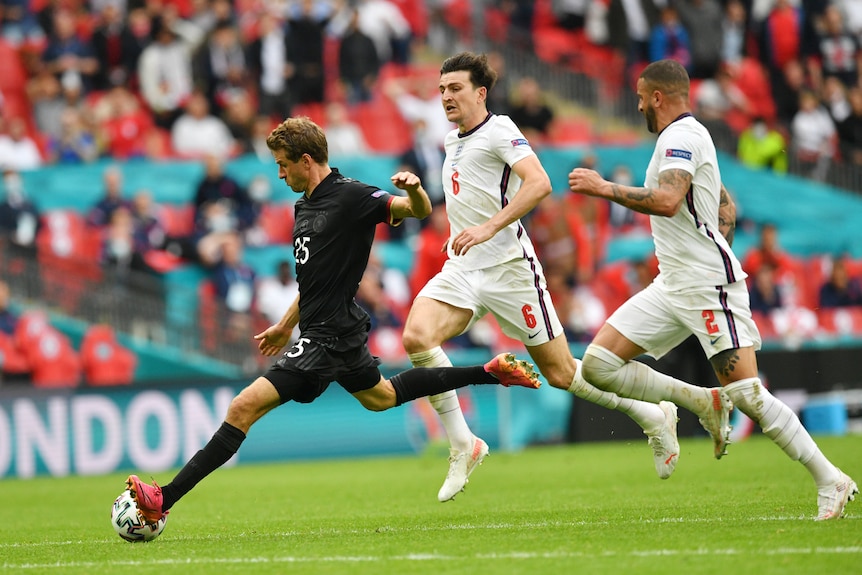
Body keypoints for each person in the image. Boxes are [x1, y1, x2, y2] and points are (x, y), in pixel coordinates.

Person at [125, 116, 541, 525]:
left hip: (328, 336)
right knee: (381, 397)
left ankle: (164, 499)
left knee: (243, 406)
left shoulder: (351, 196)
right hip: (327, 329)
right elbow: (314, 279)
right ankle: (490, 372)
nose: (279, 172)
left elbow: (417, 210)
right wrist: (288, 323)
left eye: (283, 164)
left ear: (307, 160)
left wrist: (414, 193)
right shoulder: (304, 205)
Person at [567, 58, 857, 521]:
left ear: (658, 97)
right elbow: (726, 203)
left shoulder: (680, 137)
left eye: (641, 97)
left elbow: (666, 200)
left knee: (748, 394)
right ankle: (700, 401)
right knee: (599, 366)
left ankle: (831, 479)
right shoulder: (686, 137)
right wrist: (716, 241)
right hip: (674, 283)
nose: (638, 104)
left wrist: (603, 187)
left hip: (705, 286)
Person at [400, 52, 683, 504]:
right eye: (441, 90)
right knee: (417, 337)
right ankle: (463, 444)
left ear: (480, 92)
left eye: (455, 88)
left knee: (561, 371)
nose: (447, 97)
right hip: (463, 267)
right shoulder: (452, 142)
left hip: (511, 269)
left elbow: (539, 183)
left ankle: (652, 416)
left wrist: (488, 227)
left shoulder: (501, 129)